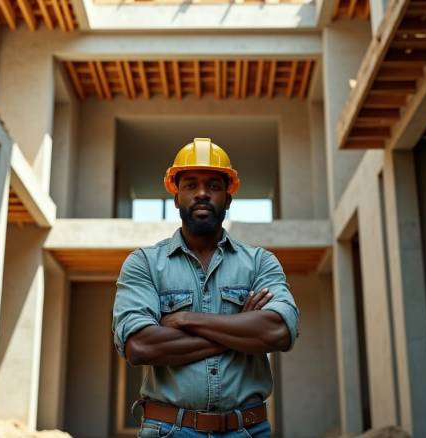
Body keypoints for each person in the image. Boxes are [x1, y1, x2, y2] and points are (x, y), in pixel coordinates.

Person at [112, 138, 299, 438]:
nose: (202, 193)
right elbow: (139, 346)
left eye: (213, 185)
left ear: (228, 197)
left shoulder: (260, 263)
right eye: (190, 185)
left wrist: (186, 320)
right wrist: (240, 331)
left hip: (248, 431)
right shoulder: (144, 263)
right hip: (168, 430)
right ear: (176, 196)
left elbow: (278, 331)